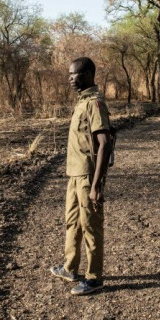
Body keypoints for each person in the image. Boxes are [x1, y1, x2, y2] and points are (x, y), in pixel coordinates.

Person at [50, 57, 112, 295]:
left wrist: (96, 185)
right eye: (69, 75)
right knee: (72, 223)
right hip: (74, 175)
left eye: (74, 74)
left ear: (87, 74)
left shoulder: (94, 104)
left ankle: (95, 278)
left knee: (91, 226)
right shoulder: (82, 102)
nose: (70, 79)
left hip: (87, 177)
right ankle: (69, 268)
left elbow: (104, 144)